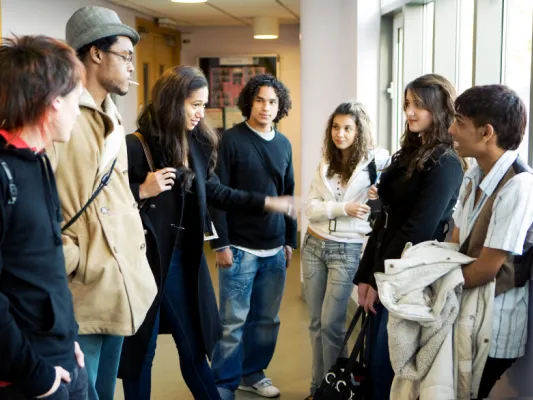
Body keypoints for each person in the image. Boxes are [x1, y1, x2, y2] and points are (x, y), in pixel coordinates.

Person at [118, 65, 295, 400]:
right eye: (194, 104)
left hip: (184, 262)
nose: (201, 113)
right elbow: (106, 201)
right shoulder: (135, 145)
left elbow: (218, 193)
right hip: (146, 263)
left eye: (203, 104)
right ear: (173, 102)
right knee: (143, 353)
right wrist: (141, 189)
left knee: (194, 348)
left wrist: (269, 202)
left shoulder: (196, 142)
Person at [48, 6, 157, 400]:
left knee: (106, 389)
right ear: (95, 54)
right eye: (125, 56)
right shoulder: (60, 115)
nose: (131, 67)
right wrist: (72, 257)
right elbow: (37, 202)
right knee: (84, 390)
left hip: (119, 278)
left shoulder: (113, 114)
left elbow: (119, 193)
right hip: (85, 284)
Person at [354, 74, 464, 400]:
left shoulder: (446, 162)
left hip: (408, 277)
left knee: (388, 366)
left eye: (419, 105)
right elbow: (385, 218)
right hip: (387, 268)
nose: (410, 112)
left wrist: (379, 278)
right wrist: (366, 275)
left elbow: (419, 228)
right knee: (375, 363)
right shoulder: (410, 152)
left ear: (440, 109)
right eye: (407, 104)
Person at [0, 35, 87, 399]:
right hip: (30, 378)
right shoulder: (3, 173)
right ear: (53, 102)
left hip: (64, 356)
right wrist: (35, 374)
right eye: (75, 101)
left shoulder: (39, 161)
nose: (78, 112)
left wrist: (70, 339)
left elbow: (44, 268)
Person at [208, 74, 297, 400]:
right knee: (232, 323)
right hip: (239, 247)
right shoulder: (230, 140)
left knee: (266, 320)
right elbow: (216, 196)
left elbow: (288, 194)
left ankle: (253, 373)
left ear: (280, 106)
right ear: (249, 102)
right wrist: (220, 243)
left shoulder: (284, 144)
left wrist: (290, 241)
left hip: (274, 248)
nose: (266, 107)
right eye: (260, 100)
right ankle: (224, 383)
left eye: (272, 101)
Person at [448, 84, 533, 399]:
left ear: (486, 132)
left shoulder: (519, 185)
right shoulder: (474, 172)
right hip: (465, 312)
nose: (451, 129)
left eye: (459, 122)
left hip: (493, 326)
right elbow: (456, 243)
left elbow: (486, 269)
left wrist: (435, 286)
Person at [302, 101, 389, 399]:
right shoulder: (326, 163)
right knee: (315, 324)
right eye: (336, 127)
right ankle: (320, 387)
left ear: (359, 130)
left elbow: (381, 210)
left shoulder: (377, 163)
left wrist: (381, 196)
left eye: (347, 128)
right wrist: (343, 208)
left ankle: (337, 388)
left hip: (347, 250)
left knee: (332, 324)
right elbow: (309, 209)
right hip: (314, 245)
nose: (340, 134)